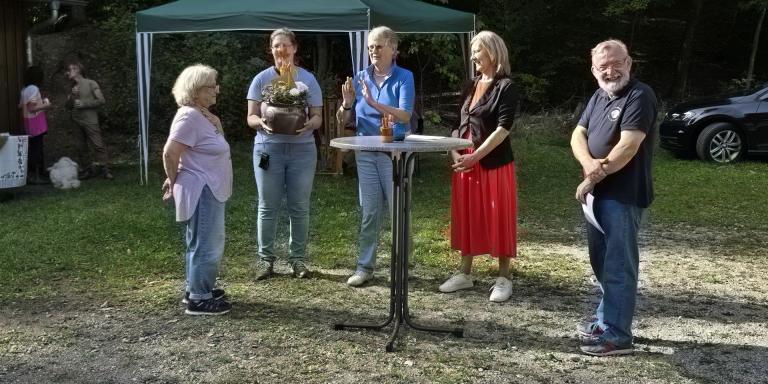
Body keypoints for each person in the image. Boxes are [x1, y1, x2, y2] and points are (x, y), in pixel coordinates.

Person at [570, 39, 657, 356]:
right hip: (598, 195)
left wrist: (593, 176)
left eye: (616, 62)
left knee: (619, 266)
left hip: (623, 195)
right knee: (602, 263)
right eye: (603, 66)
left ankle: (618, 336)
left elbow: (628, 146)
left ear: (629, 63)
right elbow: (577, 134)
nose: (611, 70)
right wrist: (589, 165)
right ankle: (607, 320)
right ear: (594, 70)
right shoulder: (597, 96)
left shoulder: (640, 95)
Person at [437, 31, 519, 303]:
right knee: (467, 215)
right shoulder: (471, 85)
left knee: (498, 215)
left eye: (477, 51)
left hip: (492, 161)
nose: (472, 57)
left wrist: (476, 156)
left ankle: (504, 277)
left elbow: (503, 129)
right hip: (464, 161)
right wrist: (454, 152)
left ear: (492, 53)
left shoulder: (505, 86)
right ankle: (464, 273)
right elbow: (456, 124)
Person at [337, 26, 415, 287]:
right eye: (370, 46)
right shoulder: (361, 78)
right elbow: (344, 119)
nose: (373, 50)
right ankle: (364, 267)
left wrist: (373, 103)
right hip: (366, 153)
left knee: (397, 212)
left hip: (395, 153)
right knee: (369, 212)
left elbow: (404, 115)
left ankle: (401, 268)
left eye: (378, 46)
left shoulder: (405, 77)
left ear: (393, 49)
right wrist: (347, 104)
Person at [246, 28, 323, 280]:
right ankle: (265, 260)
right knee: (267, 206)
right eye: (276, 46)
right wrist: (261, 123)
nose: (281, 50)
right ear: (271, 50)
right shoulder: (261, 79)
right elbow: (251, 116)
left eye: (285, 45)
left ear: (294, 48)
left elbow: (317, 117)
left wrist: (310, 124)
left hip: (302, 150)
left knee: (299, 206)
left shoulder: (308, 80)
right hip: (268, 148)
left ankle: (297, 260)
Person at [163, 64, 233, 315]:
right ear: (194, 90)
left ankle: (197, 287)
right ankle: (199, 298)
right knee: (207, 243)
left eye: (216, 85)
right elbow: (170, 153)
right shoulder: (189, 116)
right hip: (202, 187)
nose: (217, 90)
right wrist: (172, 180)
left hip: (208, 186)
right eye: (211, 86)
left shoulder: (201, 115)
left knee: (202, 241)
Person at [65, 61, 113, 180]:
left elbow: (101, 100)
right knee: (80, 147)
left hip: (90, 120)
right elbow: (68, 106)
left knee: (98, 145)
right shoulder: (71, 87)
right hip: (76, 121)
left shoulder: (91, 83)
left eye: (70, 70)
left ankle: (105, 170)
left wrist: (85, 104)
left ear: (77, 70)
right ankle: (87, 170)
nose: (67, 73)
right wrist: (71, 95)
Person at [19, 65, 53, 184]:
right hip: (36, 123)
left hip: (28, 122)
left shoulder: (24, 89)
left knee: (33, 148)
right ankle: (34, 176)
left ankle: (37, 174)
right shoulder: (34, 89)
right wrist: (46, 104)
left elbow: (21, 106)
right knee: (36, 150)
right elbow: (33, 109)